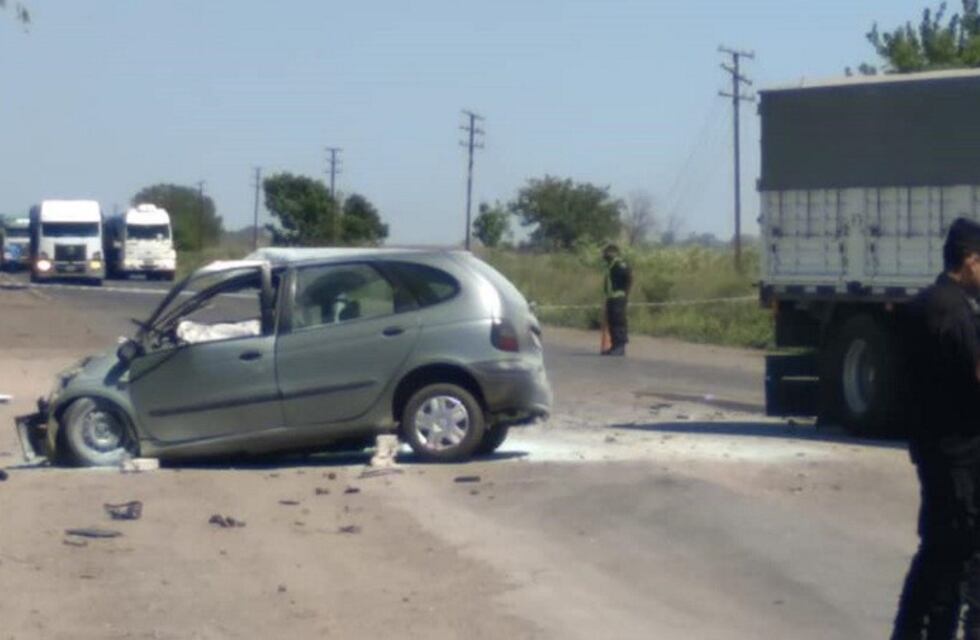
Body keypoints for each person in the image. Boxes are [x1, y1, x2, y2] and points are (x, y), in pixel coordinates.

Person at [891, 217, 980, 640]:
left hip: (933, 448)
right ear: (971, 261)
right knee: (950, 555)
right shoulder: (954, 311)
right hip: (956, 455)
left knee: (940, 553)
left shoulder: (923, 304)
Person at [601, 244, 632, 356]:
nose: (604, 255)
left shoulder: (620, 265)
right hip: (611, 297)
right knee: (612, 322)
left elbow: (629, 279)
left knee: (619, 322)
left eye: (607, 253)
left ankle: (620, 347)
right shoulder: (610, 265)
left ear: (614, 253)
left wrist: (625, 295)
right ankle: (614, 346)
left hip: (619, 297)